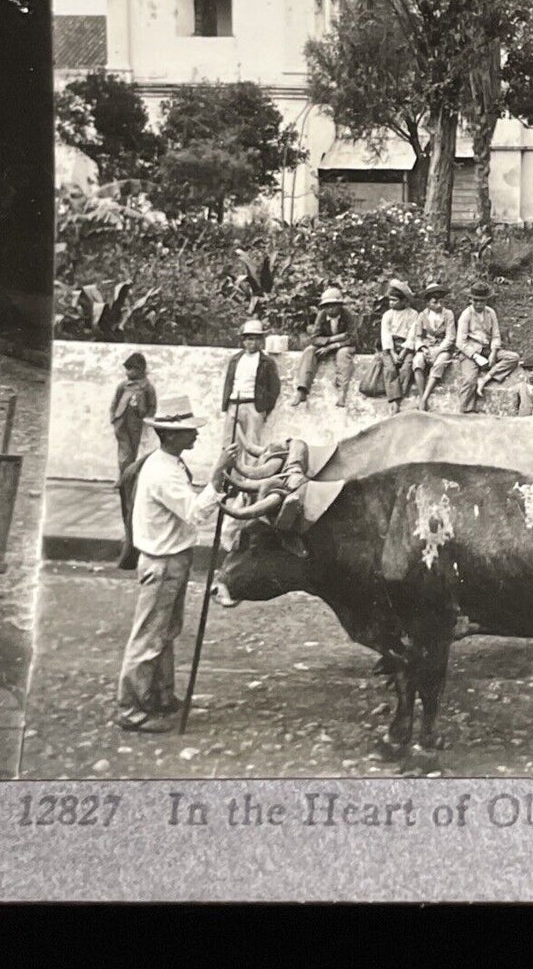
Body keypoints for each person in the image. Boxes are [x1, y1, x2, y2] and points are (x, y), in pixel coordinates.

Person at [114, 394, 221, 733]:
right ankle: (131, 709)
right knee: (149, 637)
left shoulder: (168, 464)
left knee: (166, 632)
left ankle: (160, 695)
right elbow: (194, 513)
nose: (196, 435)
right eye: (190, 431)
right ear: (172, 436)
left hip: (171, 559)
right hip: (163, 563)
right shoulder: (164, 472)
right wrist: (218, 478)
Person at [455, 281, 519, 412]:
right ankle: (465, 411)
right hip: (470, 352)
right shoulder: (466, 315)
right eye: (476, 301)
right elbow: (460, 343)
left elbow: (495, 335)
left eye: (482, 301)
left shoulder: (490, 313)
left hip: (486, 349)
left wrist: (493, 352)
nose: (479, 304)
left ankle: (486, 379)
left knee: (513, 357)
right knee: (469, 380)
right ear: (471, 299)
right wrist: (475, 357)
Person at [292, 285, 359, 408]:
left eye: (334, 305)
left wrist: (333, 346)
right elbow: (314, 338)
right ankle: (302, 389)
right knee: (309, 351)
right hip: (327, 344)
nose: (330, 309)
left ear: (340, 305)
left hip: (344, 346)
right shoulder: (322, 315)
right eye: (327, 306)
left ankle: (342, 393)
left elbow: (353, 338)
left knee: (343, 354)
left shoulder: (348, 315)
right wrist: (333, 339)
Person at [221, 317, 280, 455]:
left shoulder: (267, 362)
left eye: (255, 339)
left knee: (252, 444)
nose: (251, 342)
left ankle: (249, 475)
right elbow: (229, 383)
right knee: (229, 442)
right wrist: (227, 403)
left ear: (261, 341)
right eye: (248, 339)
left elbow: (274, 388)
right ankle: (225, 474)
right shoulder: (236, 359)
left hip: (254, 406)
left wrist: (263, 408)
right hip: (234, 404)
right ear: (243, 341)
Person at [110, 351, 157, 482]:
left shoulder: (147, 387)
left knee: (133, 450)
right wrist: (113, 417)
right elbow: (115, 401)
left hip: (136, 422)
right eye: (127, 369)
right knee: (124, 449)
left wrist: (148, 420)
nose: (127, 373)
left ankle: (129, 478)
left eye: (131, 369)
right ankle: (122, 476)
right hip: (121, 420)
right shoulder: (123, 386)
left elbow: (152, 405)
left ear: (140, 370)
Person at [411, 280, 456, 409]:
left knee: (439, 364)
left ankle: (425, 397)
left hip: (442, 348)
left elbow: (450, 337)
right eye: (435, 302)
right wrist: (423, 348)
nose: (439, 305)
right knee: (417, 362)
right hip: (427, 347)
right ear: (428, 303)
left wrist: (437, 351)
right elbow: (418, 336)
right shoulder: (422, 316)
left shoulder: (448, 314)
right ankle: (421, 396)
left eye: (441, 301)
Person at [378, 279, 419, 412]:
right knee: (390, 368)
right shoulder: (387, 315)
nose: (391, 303)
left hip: (406, 346)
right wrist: (393, 353)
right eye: (390, 300)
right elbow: (386, 335)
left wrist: (403, 352)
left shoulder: (413, 314)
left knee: (406, 367)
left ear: (403, 301)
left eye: (395, 300)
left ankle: (400, 396)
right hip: (391, 347)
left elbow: (413, 334)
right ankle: (393, 400)